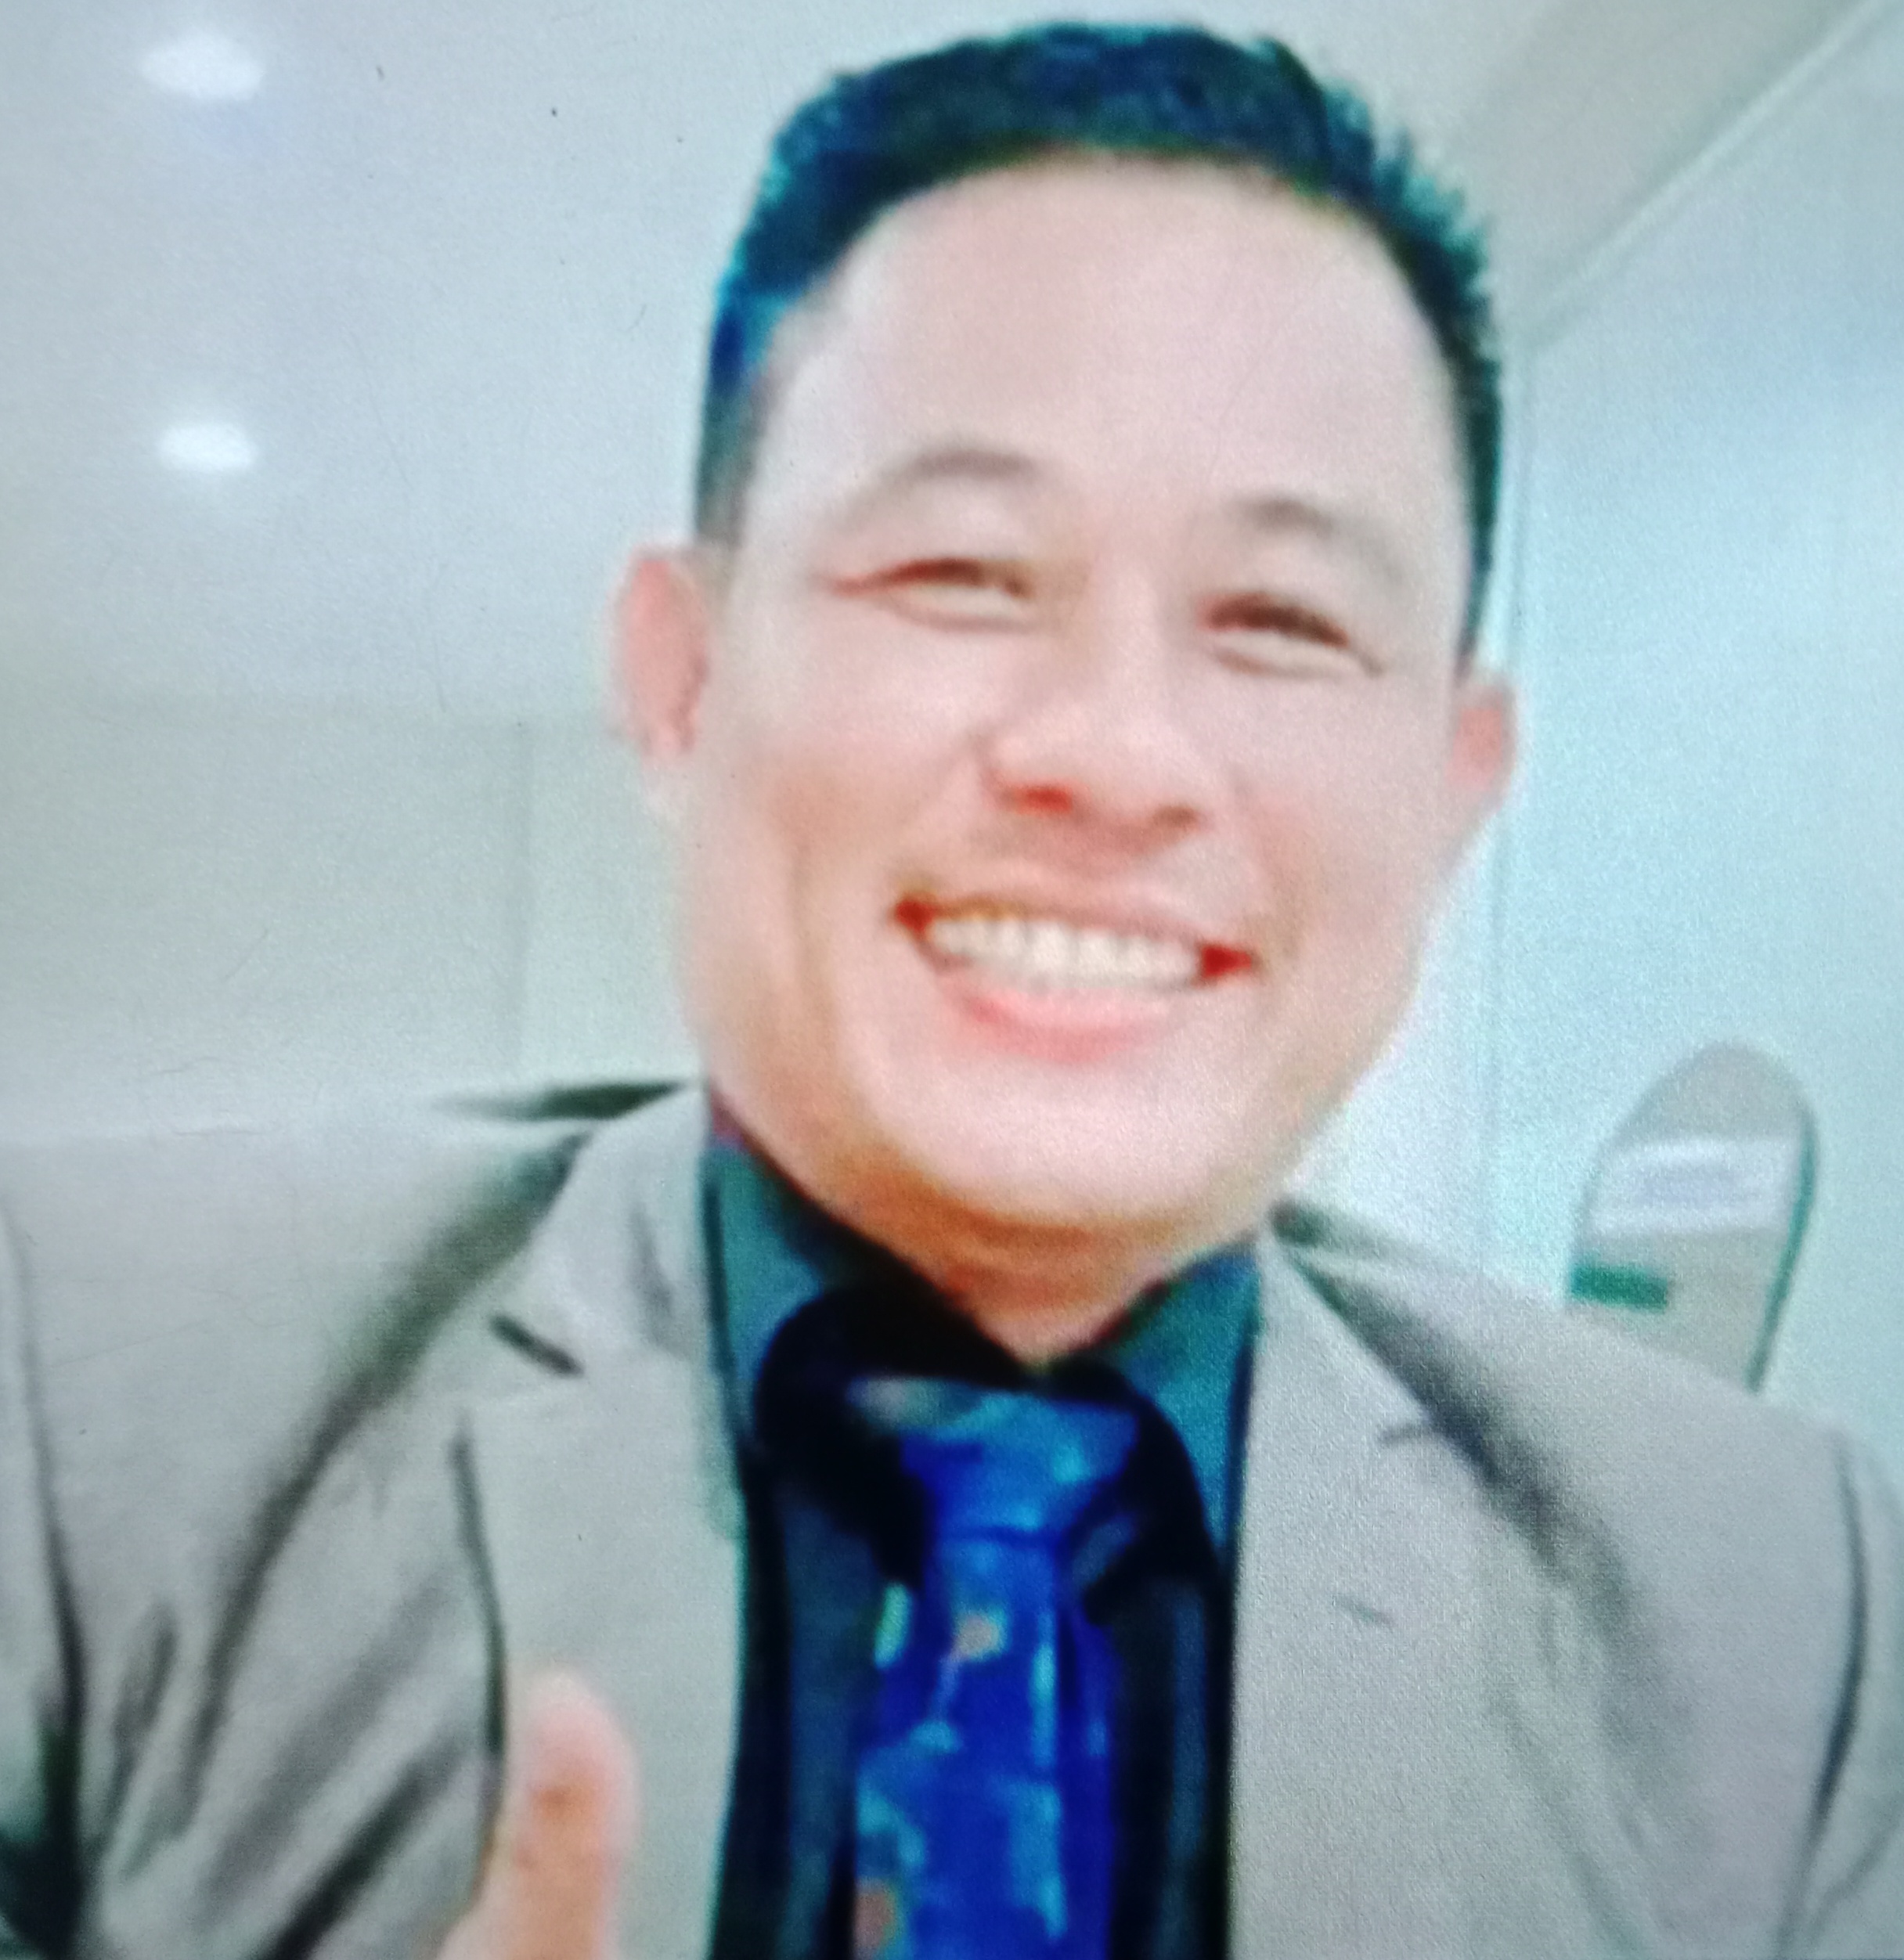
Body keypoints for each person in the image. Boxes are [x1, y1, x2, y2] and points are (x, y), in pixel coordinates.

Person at [2, 22, 1900, 1960]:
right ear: (679, 678)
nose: (1115, 754)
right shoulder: (89, 1413)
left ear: (1451, 784)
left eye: (1280, 618)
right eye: (963, 574)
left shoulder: (1773, 1611)